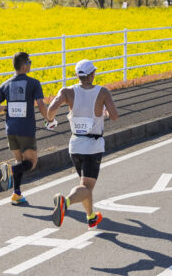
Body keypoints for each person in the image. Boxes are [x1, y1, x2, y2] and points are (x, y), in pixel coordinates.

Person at [46, 59, 118, 229]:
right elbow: (114, 116)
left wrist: (50, 121)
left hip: (75, 145)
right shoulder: (102, 92)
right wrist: (106, 111)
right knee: (86, 186)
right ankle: (65, 202)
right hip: (93, 146)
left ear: (77, 75)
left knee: (84, 184)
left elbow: (51, 109)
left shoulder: (67, 91)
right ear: (92, 74)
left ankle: (91, 216)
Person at [0, 51, 50, 205]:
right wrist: (49, 118)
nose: (31, 65)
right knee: (31, 162)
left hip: (10, 129)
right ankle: (11, 171)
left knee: (19, 160)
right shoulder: (33, 83)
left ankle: (16, 194)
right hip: (26, 129)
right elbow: (41, 104)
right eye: (29, 63)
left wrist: (7, 109)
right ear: (24, 66)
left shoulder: (5, 84)